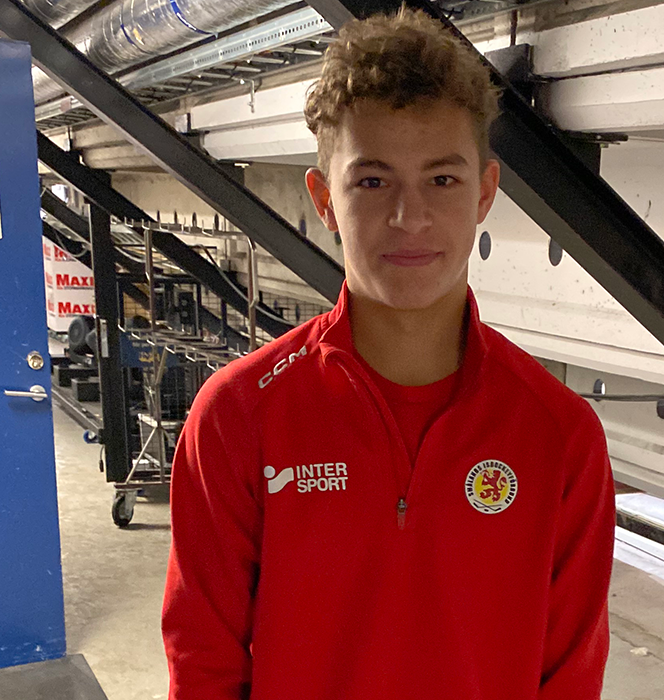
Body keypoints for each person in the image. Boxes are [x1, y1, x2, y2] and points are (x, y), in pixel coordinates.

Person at [161, 8, 615, 699]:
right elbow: (204, 667)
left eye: (442, 180)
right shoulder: (238, 417)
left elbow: (571, 680)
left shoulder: (559, 435)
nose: (410, 218)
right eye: (372, 182)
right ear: (324, 199)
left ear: (485, 192)